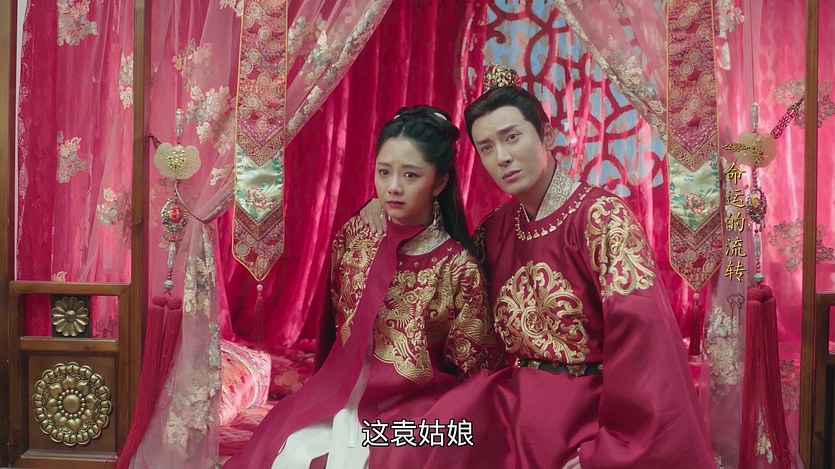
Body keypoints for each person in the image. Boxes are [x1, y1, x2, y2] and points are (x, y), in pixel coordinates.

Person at [362, 65, 715, 468]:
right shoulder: (496, 228)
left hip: (588, 411)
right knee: (415, 442)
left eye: (511, 137)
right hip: (512, 403)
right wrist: (388, 211)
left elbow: (645, 346)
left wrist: (609, 449)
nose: (502, 157)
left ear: (547, 136)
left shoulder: (601, 218)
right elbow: (449, 304)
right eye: (487, 147)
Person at [223, 105, 502, 469]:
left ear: (439, 182)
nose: (393, 187)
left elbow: (475, 369)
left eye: (410, 175)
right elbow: (335, 327)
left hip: (416, 407)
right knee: (286, 451)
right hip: (337, 393)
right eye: (384, 172)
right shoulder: (357, 235)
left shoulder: (458, 267)